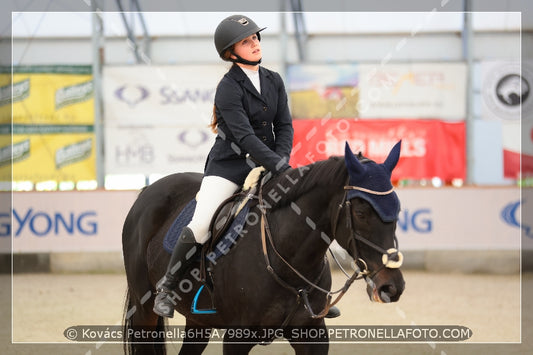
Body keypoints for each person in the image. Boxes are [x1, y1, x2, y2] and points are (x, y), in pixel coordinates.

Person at [153, 14, 294, 318]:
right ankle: (168, 286)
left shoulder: (274, 80)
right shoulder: (229, 87)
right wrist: (275, 163)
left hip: (269, 164)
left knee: (296, 213)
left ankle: (304, 291)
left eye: (256, 37)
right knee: (203, 222)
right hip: (229, 167)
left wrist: (282, 162)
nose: (255, 43)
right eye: (246, 41)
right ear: (231, 52)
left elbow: (284, 126)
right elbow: (243, 136)